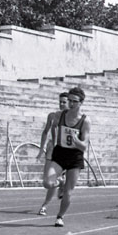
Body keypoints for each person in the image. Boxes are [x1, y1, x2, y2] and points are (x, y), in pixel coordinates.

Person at [41, 87, 91, 227]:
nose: (71, 103)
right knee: (47, 183)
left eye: (74, 101)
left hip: (75, 156)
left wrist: (77, 141)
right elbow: (52, 127)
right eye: (69, 100)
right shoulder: (59, 115)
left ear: (81, 103)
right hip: (60, 153)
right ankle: (60, 183)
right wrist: (53, 141)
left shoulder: (85, 121)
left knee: (69, 192)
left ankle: (60, 217)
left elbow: (84, 146)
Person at [37, 92, 69, 216]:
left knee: (52, 179)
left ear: (69, 103)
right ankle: (61, 182)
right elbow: (45, 132)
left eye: (64, 102)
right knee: (46, 182)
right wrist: (41, 149)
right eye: (60, 101)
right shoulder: (52, 116)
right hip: (52, 149)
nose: (61, 104)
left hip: (64, 150)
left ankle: (44, 205)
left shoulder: (72, 118)